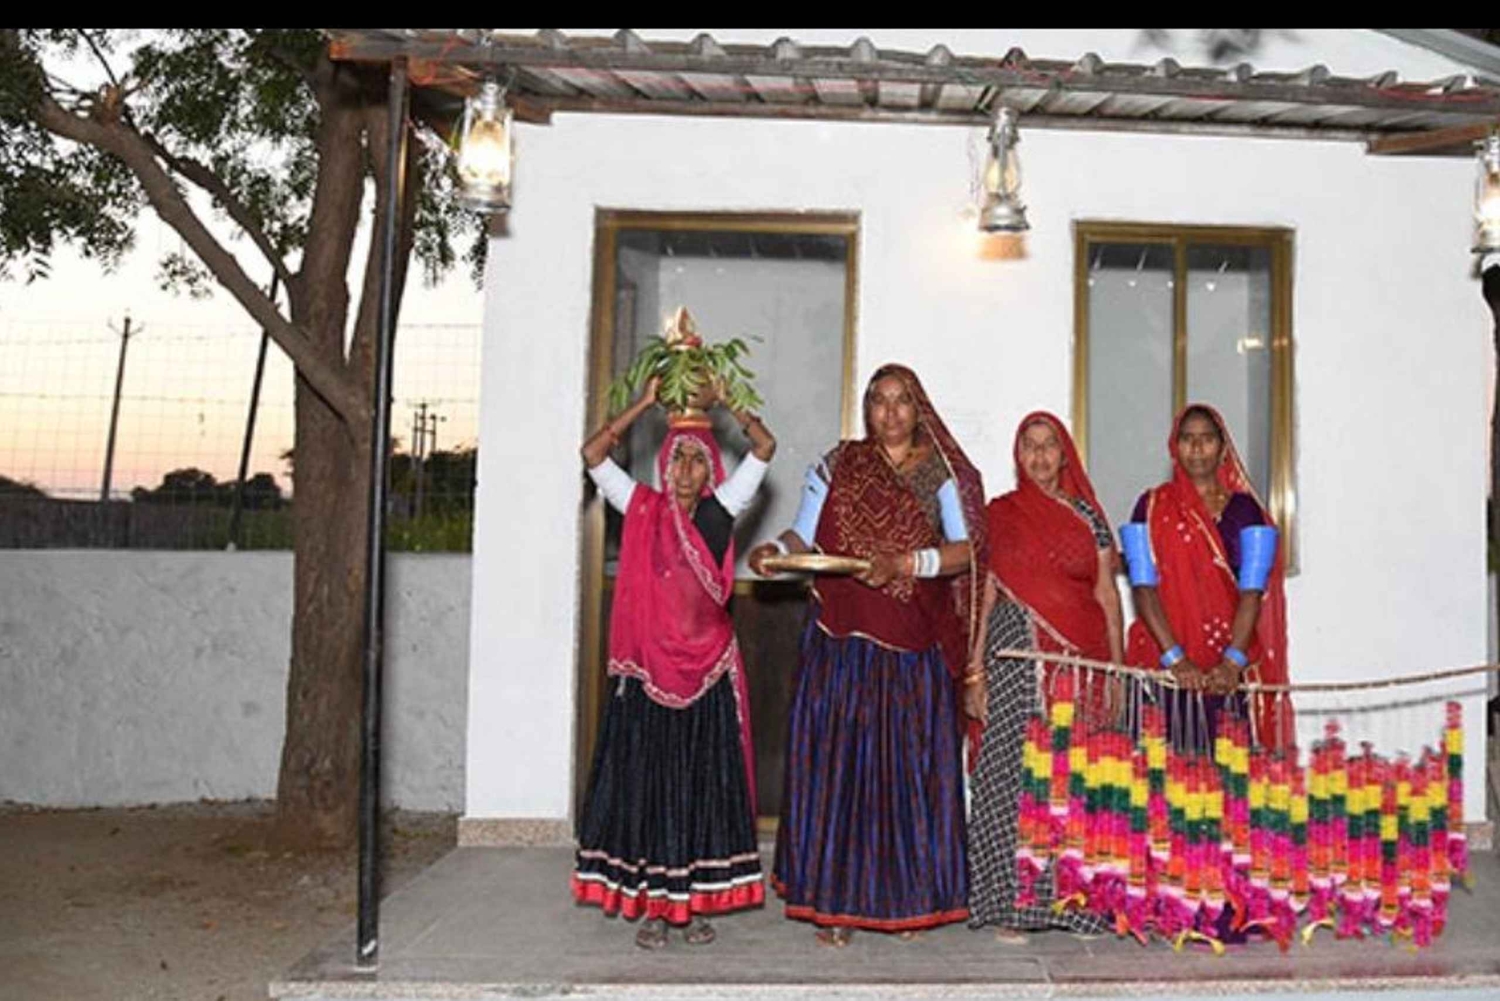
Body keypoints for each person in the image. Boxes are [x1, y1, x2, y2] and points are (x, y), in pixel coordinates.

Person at [747, 363, 985, 946]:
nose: (891, 412)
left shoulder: (938, 474)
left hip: (911, 646)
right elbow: (806, 535)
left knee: (908, 777)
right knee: (840, 773)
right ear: (866, 408)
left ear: (919, 407)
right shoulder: (839, 463)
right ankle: (837, 905)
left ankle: (910, 902)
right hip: (842, 642)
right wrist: (776, 550)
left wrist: (906, 564)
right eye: (879, 401)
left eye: (902, 401)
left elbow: (964, 553)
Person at [571, 377, 776, 949]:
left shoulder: (718, 513)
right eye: (677, 458)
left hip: (706, 673)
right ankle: (656, 911)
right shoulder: (639, 507)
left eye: (697, 459)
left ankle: (699, 904)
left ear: (712, 469)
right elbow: (592, 455)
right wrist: (644, 402)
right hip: (647, 676)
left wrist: (728, 398)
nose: (686, 469)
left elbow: (764, 448)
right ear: (663, 465)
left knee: (700, 792)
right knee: (652, 791)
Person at [965, 412, 1123, 942]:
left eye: (1048, 446)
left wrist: (1115, 671)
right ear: (1018, 455)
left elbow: (1105, 594)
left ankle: (1076, 905)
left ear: (1065, 454)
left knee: (1072, 782)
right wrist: (974, 672)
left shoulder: (1089, 519)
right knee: (1008, 780)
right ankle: (1010, 905)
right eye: (1029, 447)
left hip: (1078, 667)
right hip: (1011, 655)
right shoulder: (1001, 514)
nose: (1039, 457)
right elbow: (984, 591)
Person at [1120, 404, 1290, 751]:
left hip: (1223, 672)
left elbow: (1252, 593)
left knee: (1225, 782)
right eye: (1187, 439)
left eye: (1207, 439)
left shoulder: (1247, 511)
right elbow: (1143, 588)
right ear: (1174, 446)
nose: (1197, 448)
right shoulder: (1150, 506)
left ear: (1223, 448)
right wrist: (1176, 660)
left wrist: (1231, 663)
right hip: (1162, 666)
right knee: (1155, 782)